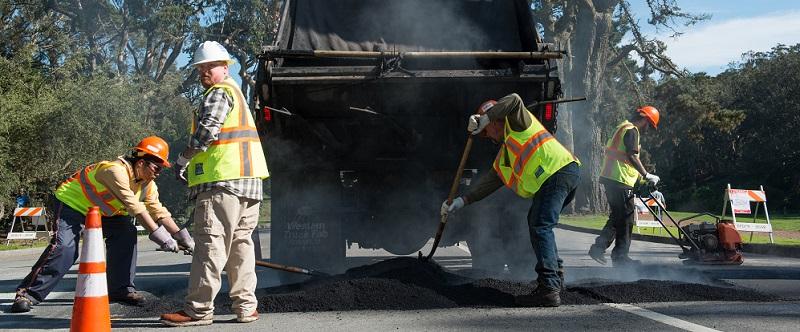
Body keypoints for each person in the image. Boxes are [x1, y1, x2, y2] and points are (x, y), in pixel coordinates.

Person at [10, 136, 195, 313]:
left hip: (101, 214)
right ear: (141, 163)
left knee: (126, 232)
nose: (158, 173)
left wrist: (183, 237)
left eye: (161, 169)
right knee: (66, 248)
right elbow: (136, 208)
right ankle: (27, 294)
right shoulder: (114, 171)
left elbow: (158, 211)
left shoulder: (147, 185)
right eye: (157, 168)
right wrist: (163, 240)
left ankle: (120, 290)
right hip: (72, 206)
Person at [160, 41, 269, 327]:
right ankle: (246, 308)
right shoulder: (238, 93)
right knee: (241, 248)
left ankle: (197, 310)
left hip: (222, 184)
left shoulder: (218, 93)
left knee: (210, 246)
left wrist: (183, 160)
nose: (204, 72)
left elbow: (207, 132)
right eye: (200, 68)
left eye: (209, 67)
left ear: (225, 66)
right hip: (249, 183)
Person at [441, 93, 581, 307]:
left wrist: (483, 119)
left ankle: (549, 289)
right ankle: (556, 277)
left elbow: (514, 99)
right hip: (559, 177)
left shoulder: (518, 124)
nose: (487, 136)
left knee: (540, 225)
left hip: (559, 172)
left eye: (486, 131)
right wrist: (461, 201)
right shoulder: (505, 154)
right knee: (539, 224)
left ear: (497, 121)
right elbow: (489, 183)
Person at [587, 106, 661, 267]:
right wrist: (647, 175)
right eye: (650, 125)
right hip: (618, 180)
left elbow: (625, 162)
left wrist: (641, 181)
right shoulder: (632, 130)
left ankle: (599, 249)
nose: (648, 129)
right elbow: (632, 156)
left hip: (613, 178)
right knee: (626, 218)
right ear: (645, 120)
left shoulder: (622, 127)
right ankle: (620, 257)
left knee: (618, 217)